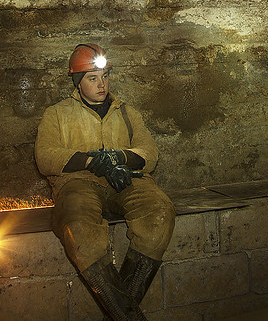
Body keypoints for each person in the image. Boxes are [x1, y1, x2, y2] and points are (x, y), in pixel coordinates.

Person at [35, 44, 175, 321]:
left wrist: (119, 156)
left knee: (159, 214)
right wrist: (90, 160)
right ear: (78, 81)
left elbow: (149, 152)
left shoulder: (127, 112)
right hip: (78, 183)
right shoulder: (58, 114)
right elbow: (45, 157)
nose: (102, 84)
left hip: (126, 178)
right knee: (80, 230)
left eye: (105, 76)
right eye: (92, 78)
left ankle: (120, 314)